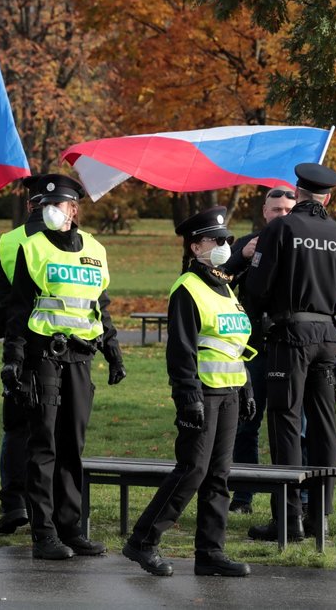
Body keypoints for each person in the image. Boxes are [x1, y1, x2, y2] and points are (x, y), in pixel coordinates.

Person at [122, 207, 253, 578]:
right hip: (202, 394)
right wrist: (187, 396)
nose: (226, 245)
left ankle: (211, 552)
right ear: (196, 247)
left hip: (229, 391)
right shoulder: (188, 289)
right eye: (218, 240)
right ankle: (142, 541)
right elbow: (181, 350)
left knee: (219, 476)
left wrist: (247, 387)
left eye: (228, 239)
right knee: (192, 470)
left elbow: (233, 344)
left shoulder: (225, 286)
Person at [0, 174, 126, 560]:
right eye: (48, 206)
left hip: (81, 357)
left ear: (75, 209)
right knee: (45, 446)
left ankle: (71, 528)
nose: (56, 211)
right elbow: (20, 308)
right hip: (44, 356)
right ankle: (45, 533)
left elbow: (98, 305)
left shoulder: (95, 248)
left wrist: (113, 349)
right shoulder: (32, 248)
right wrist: (13, 360)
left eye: (63, 205)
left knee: (73, 446)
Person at [245, 163, 336, 542]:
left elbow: (257, 287)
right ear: (327, 198)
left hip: (290, 335)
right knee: (324, 423)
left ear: (297, 193)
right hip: (327, 337)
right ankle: (320, 516)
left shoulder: (280, 229)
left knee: (285, 420)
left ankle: (288, 518)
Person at [224, 185, 296, 514]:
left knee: (293, 426)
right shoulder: (248, 244)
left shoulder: (302, 245)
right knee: (245, 422)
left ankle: (296, 499)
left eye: (287, 210)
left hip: (291, 348)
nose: (281, 215)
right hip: (252, 349)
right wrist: (242, 257)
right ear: (264, 212)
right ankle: (243, 496)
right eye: (275, 210)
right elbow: (217, 278)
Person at [0, 176, 47, 535]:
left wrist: (13, 331)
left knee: (17, 427)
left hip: (19, 348)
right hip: (65, 350)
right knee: (54, 432)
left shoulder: (7, 241)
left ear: (28, 206)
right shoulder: (79, 243)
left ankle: (14, 502)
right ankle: (45, 505)